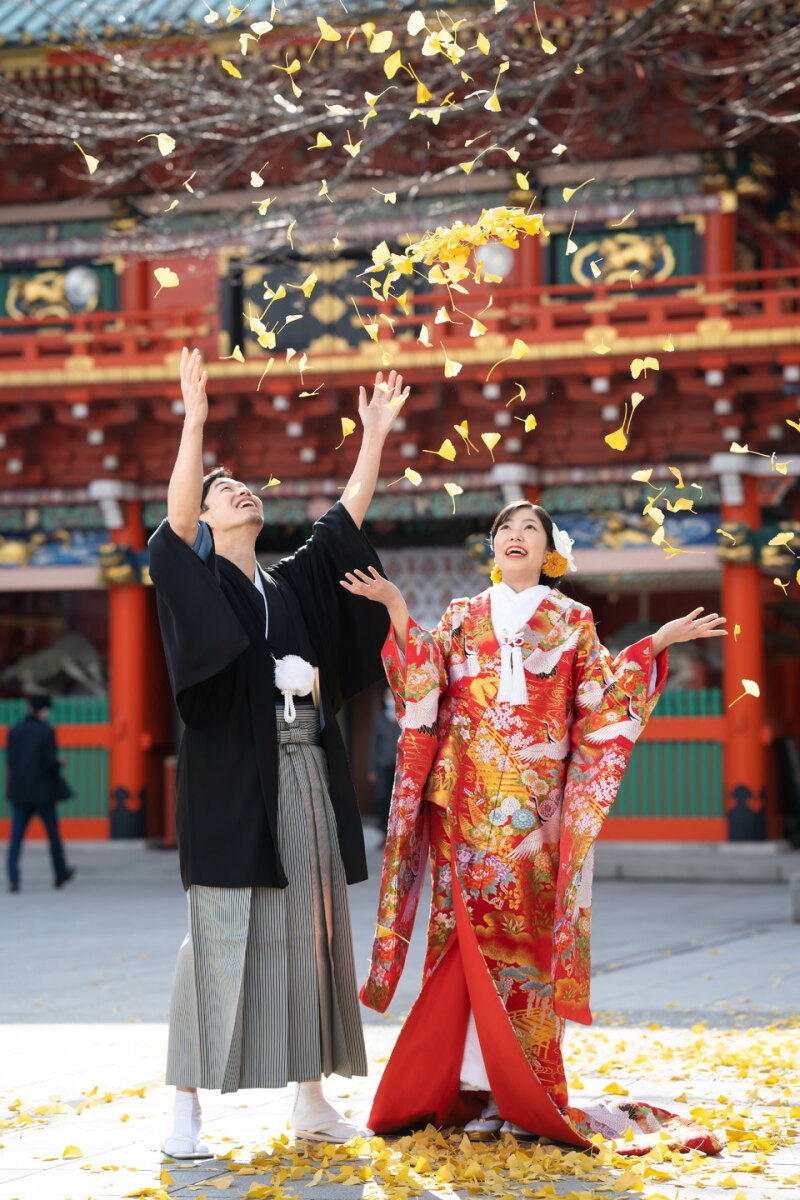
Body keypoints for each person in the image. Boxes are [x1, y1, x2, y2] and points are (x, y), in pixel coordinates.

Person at [343, 501, 726, 1154]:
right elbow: (423, 692)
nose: (514, 537)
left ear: (549, 549)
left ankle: (530, 1096)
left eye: (529, 530)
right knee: (464, 955)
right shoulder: (461, 616)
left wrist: (655, 643)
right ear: (491, 548)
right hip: (467, 816)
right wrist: (399, 610)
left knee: (528, 960)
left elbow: (601, 704)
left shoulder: (572, 621)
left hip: (537, 822)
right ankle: (483, 1094)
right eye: (503, 530)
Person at [148, 347, 408, 1159]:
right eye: (227, 491)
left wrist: (374, 434)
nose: (240, 493)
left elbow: (344, 521)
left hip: (303, 769)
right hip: (231, 778)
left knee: (315, 925)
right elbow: (178, 520)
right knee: (221, 931)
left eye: (246, 487)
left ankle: (310, 1096)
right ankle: (185, 1104)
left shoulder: (288, 584)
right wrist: (194, 419)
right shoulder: (197, 577)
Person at [5, 694, 75, 893]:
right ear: (43, 710)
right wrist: (60, 763)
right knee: (53, 836)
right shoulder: (46, 732)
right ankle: (60, 872)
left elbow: (11, 761)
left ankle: (13, 878)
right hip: (43, 793)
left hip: (20, 792)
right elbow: (50, 764)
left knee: (16, 837)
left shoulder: (14, 731)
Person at [367, 688, 400, 840]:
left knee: (398, 799)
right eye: (387, 696)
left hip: (400, 765)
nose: (390, 699)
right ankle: (383, 833)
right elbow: (373, 745)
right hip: (382, 764)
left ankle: (396, 833)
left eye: (392, 696)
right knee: (382, 797)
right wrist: (371, 768)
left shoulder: (403, 718)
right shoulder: (379, 719)